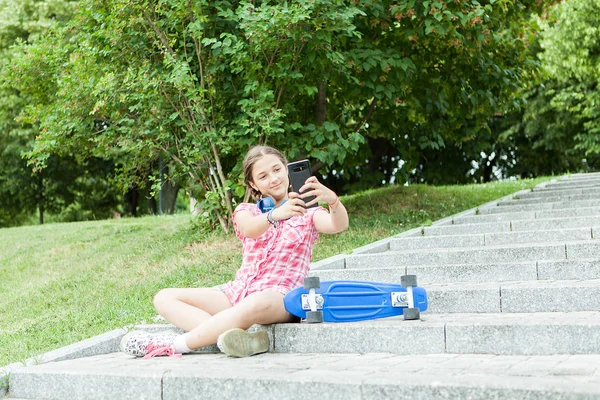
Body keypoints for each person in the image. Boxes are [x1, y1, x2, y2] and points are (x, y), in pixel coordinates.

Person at [120, 145, 349, 359]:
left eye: (277, 169)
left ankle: (174, 345)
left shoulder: (308, 212)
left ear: (287, 170)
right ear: (253, 185)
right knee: (164, 297)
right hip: (238, 292)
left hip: (279, 296)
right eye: (263, 176)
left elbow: (337, 225)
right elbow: (249, 229)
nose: (273, 178)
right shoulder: (246, 210)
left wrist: (333, 201)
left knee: (254, 303)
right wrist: (276, 214)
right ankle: (235, 337)